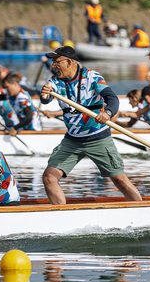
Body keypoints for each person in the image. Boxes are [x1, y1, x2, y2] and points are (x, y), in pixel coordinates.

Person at [40, 46, 142, 205]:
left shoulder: (92, 77)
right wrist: (45, 94)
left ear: (69, 62)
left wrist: (107, 113)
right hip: (72, 140)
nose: (54, 65)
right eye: (53, 62)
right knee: (49, 177)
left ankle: (140, 208)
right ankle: (60, 215)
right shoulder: (55, 81)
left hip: (98, 138)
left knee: (118, 179)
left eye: (57, 61)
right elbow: (46, 99)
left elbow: (112, 99)